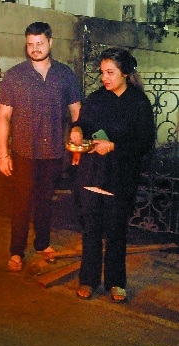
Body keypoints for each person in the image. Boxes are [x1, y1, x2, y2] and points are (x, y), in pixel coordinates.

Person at [70, 48, 155, 302]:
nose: (104, 78)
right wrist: (76, 129)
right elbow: (83, 124)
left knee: (117, 231)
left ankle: (116, 282)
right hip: (92, 172)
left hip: (120, 175)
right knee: (91, 229)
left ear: (126, 73)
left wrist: (114, 146)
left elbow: (145, 141)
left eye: (110, 72)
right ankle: (88, 280)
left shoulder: (138, 103)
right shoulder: (96, 99)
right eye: (102, 73)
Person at [0, 22, 82, 271]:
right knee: (21, 202)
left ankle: (42, 243)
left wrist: (77, 136)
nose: (35, 49)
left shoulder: (65, 75)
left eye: (40, 43)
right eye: (30, 44)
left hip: (54, 150)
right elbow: (3, 117)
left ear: (50, 43)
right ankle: (16, 251)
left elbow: (77, 110)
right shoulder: (14, 76)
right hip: (24, 150)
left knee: (46, 199)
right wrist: (3, 154)